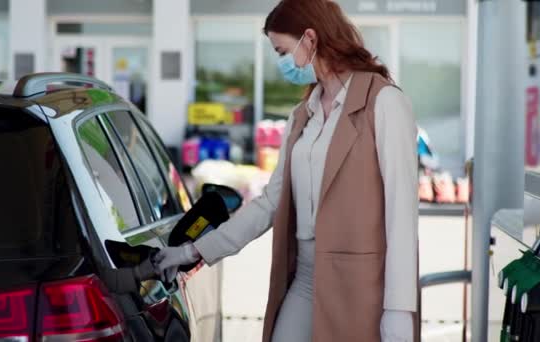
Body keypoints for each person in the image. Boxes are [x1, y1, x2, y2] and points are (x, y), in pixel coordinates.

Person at [153, 1, 419, 341]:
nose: (282, 63)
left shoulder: (384, 102)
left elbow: (402, 213)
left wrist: (399, 310)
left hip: (362, 283)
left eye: (282, 50)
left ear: (310, 38)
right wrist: (193, 252)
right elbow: (268, 204)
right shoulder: (301, 116)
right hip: (306, 275)